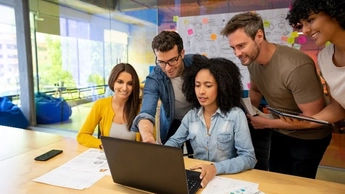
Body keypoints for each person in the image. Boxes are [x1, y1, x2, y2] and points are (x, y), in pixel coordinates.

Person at [220, 12, 333, 179]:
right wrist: (250, 112)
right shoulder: (253, 61)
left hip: (309, 137)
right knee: (276, 179)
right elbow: (257, 90)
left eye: (241, 46)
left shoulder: (295, 67)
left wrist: (267, 123)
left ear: (259, 35)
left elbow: (313, 119)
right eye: (233, 48)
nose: (237, 53)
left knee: (299, 187)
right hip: (281, 130)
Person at [165, 55, 256, 188]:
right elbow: (174, 142)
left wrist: (215, 168)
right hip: (199, 179)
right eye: (197, 85)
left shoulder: (236, 115)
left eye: (208, 86)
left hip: (227, 179)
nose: (201, 91)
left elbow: (248, 158)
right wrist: (161, 154)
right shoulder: (191, 116)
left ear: (222, 87)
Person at [131, 31, 204, 156]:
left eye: (172, 60)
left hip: (198, 120)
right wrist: (148, 137)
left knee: (198, 157)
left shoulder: (198, 63)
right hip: (172, 122)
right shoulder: (155, 78)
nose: (168, 68)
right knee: (171, 158)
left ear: (182, 53)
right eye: (162, 62)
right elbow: (146, 112)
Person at [282, 0, 345, 128]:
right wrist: (306, 121)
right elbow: (338, 108)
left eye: (310, 20)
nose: (305, 30)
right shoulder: (324, 58)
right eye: (302, 24)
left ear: (335, 12)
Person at [77, 63, 141, 148]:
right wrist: (102, 144)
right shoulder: (101, 105)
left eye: (130, 83)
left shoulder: (141, 108)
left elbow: (150, 142)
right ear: (112, 82)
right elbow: (82, 135)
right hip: (109, 157)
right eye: (120, 82)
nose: (125, 88)